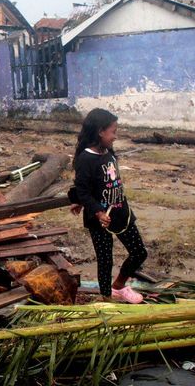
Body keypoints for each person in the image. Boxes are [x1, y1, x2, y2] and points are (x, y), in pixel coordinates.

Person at [69, 108, 147, 304]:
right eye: (113, 131)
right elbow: (84, 189)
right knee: (105, 259)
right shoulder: (85, 159)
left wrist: (81, 200)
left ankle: (118, 286)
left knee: (139, 252)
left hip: (120, 211)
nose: (115, 136)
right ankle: (106, 297)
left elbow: (101, 182)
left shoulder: (107, 151)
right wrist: (96, 210)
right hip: (99, 218)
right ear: (100, 132)